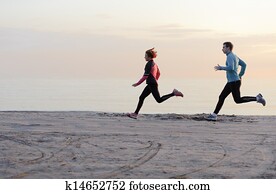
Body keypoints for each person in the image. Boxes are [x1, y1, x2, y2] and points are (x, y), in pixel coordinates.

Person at [206, 42, 266, 121]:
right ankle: (214, 115)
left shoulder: (230, 56)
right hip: (232, 81)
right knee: (222, 97)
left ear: (228, 48)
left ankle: (257, 98)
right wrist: (240, 75)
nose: (222, 49)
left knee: (238, 100)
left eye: (224, 47)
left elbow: (231, 67)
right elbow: (244, 65)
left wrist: (221, 68)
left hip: (234, 82)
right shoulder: (234, 56)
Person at [127, 48, 183, 119]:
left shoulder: (149, 64)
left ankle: (174, 93)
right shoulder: (154, 64)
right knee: (141, 97)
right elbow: (159, 73)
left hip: (152, 84)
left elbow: (145, 76)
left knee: (159, 100)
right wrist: (155, 80)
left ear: (149, 57)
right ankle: (135, 113)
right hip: (151, 84)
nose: (144, 57)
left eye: (145, 56)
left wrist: (137, 83)